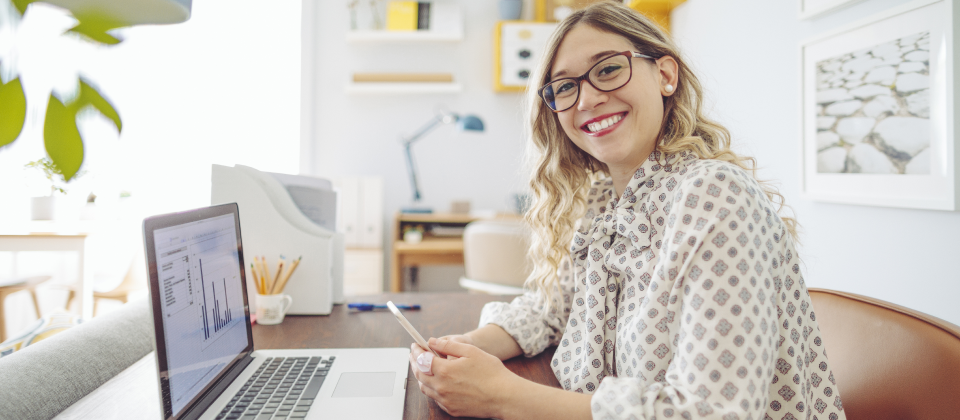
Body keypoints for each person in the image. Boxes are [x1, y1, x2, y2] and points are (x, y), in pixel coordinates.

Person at [408, 2, 846, 419]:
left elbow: (711, 412)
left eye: (609, 69)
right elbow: (552, 310)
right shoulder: (602, 202)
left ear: (666, 75)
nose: (586, 99)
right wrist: (465, 348)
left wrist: (501, 395)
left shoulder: (714, 194)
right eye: (565, 87)